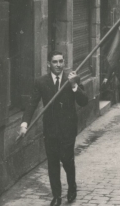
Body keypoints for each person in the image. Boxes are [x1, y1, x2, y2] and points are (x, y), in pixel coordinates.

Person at [17, 51, 88, 206]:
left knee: (67, 160)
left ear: (64, 62)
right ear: (49, 63)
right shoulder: (41, 81)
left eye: (61, 61)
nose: (58, 65)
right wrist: (24, 124)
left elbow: (84, 101)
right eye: (55, 62)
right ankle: (56, 196)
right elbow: (32, 104)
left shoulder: (72, 77)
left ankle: (72, 187)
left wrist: (74, 84)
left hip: (68, 129)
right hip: (50, 130)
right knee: (53, 163)